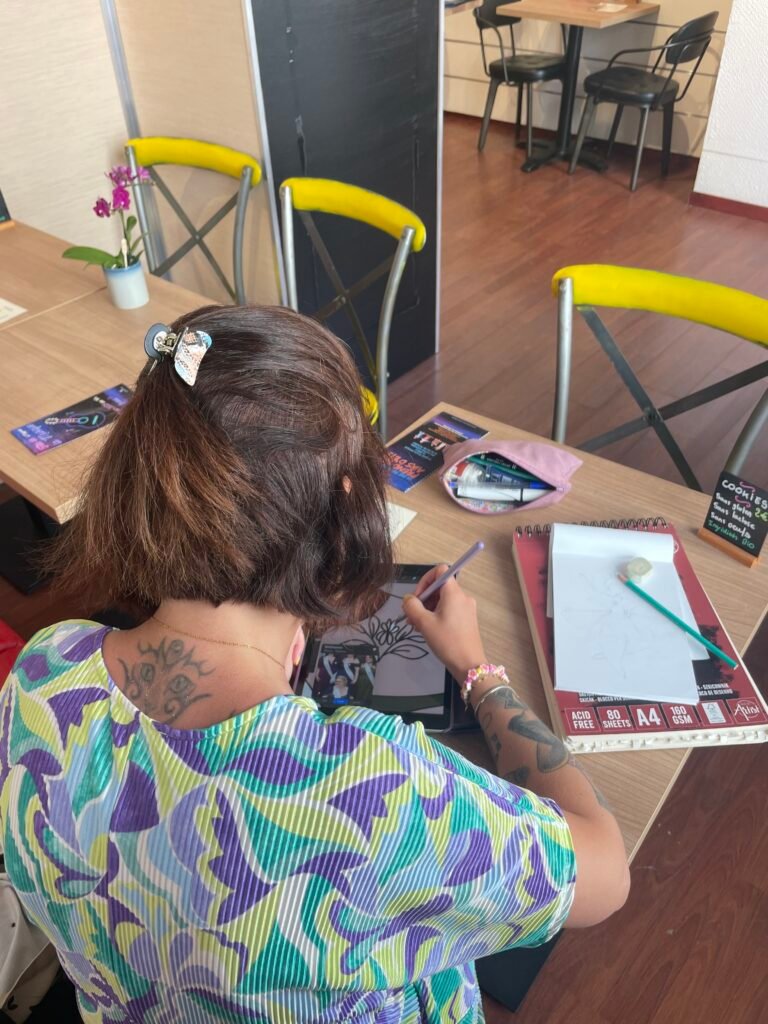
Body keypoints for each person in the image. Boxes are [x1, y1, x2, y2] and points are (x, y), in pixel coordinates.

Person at [0, 305, 629, 1024]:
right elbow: (606, 875)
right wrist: (480, 672)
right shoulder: (377, 792)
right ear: (347, 507)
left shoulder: (42, 676)